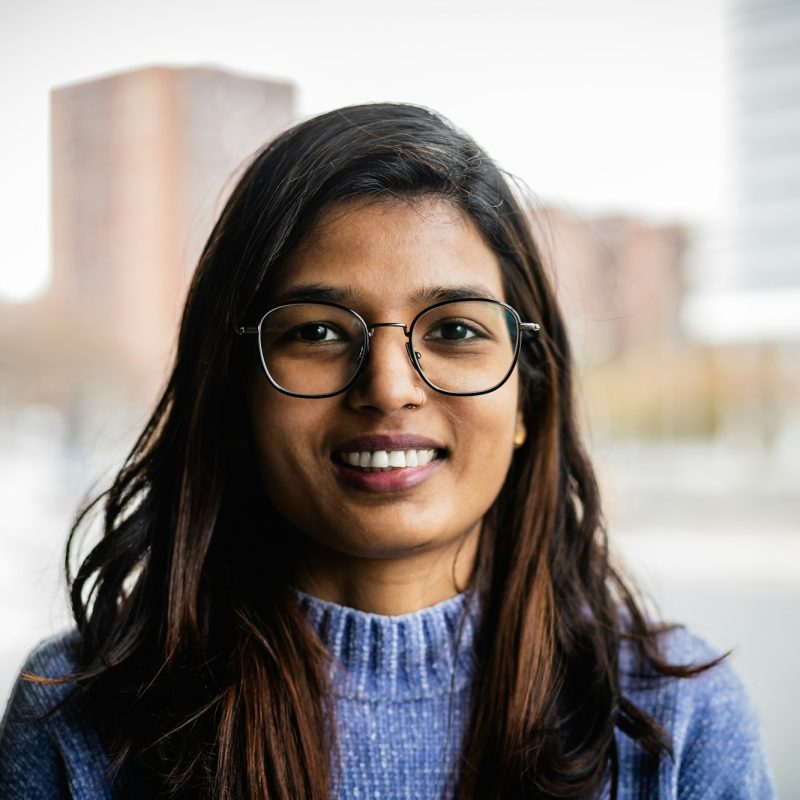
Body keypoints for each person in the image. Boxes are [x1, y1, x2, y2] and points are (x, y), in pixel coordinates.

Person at [0, 103, 774, 799]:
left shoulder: (681, 721)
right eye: (318, 331)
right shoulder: (76, 719)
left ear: (527, 399)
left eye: (456, 330)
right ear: (235, 393)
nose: (390, 387)